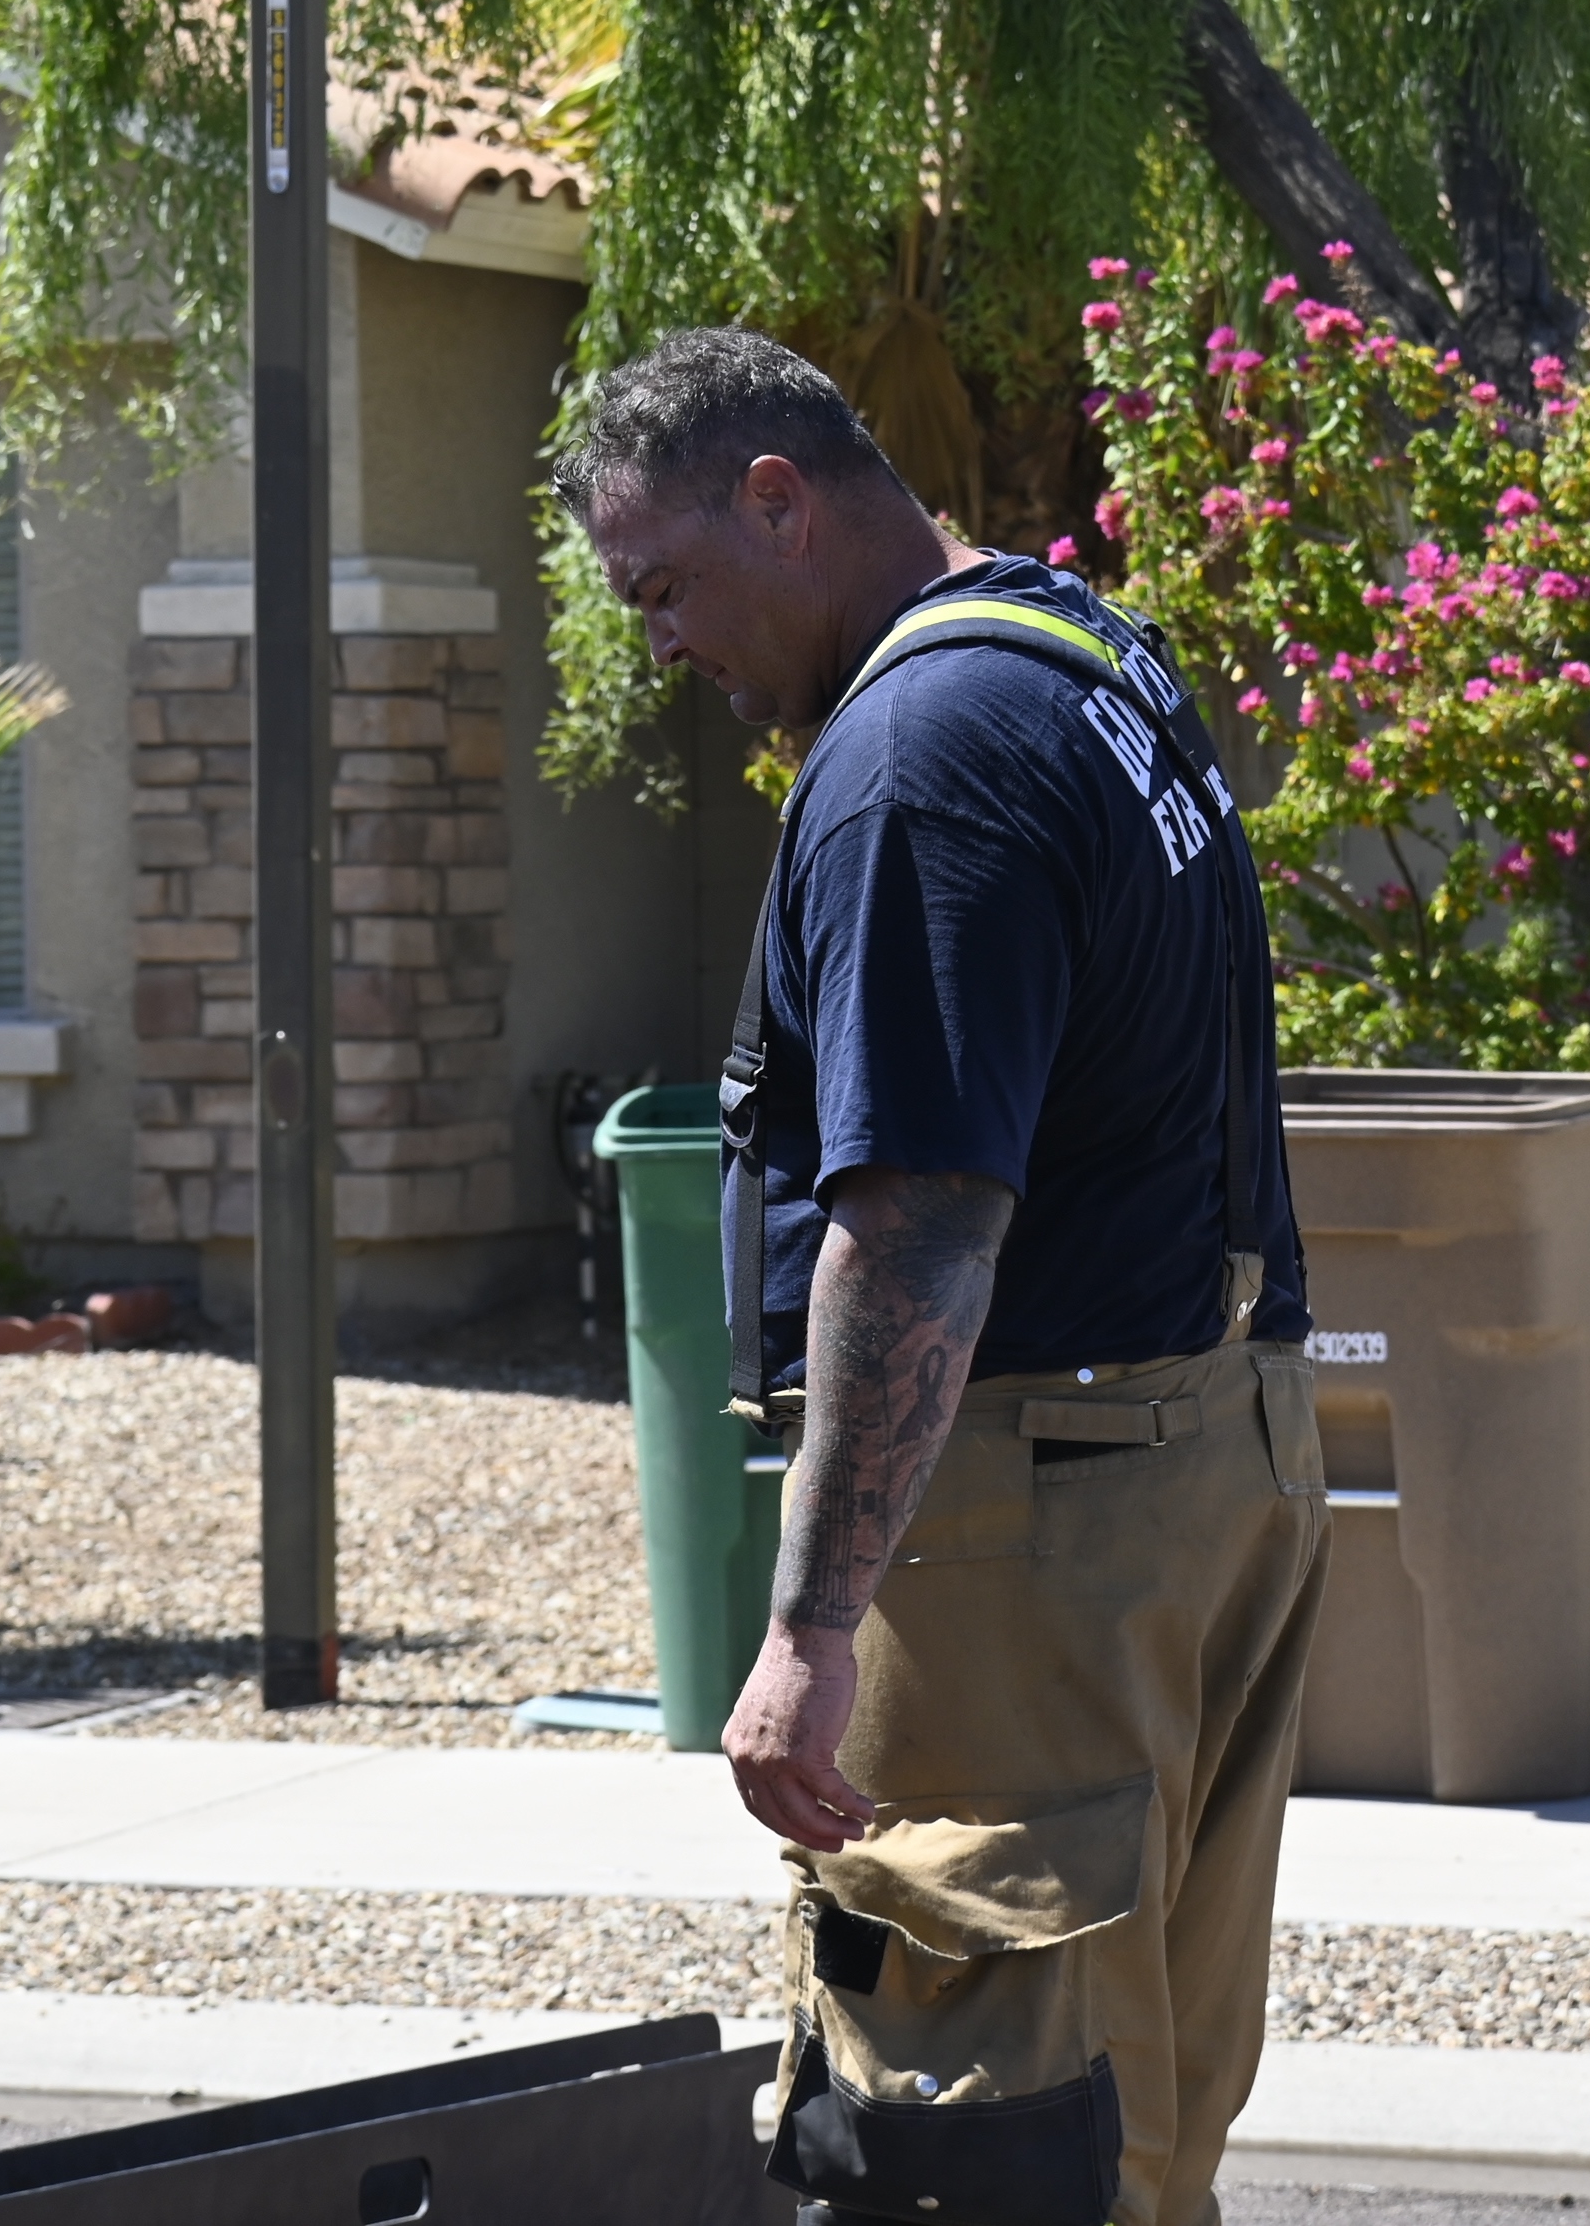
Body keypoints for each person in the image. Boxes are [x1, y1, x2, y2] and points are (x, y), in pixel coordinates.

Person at [555, 325, 1325, 2226]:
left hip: (1026, 1522)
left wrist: (812, 1626)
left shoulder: (916, 760)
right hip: (1203, 1454)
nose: (663, 640)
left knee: (974, 2136)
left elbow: (919, 1227)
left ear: (778, 500)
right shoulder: (1080, 654)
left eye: (662, 586)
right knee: (1136, 2124)